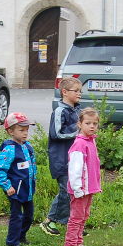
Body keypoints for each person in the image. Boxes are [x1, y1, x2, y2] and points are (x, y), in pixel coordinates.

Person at [39, 78, 82, 236]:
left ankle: (72, 223)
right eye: (75, 91)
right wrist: (78, 130)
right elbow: (56, 133)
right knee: (65, 190)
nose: (79, 94)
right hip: (61, 159)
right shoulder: (60, 111)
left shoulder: (77, 111)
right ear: (64, 92)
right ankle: (49, 221)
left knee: (75, 191)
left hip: (75, 160)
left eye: (80, 91)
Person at [0, 112, 37, 246]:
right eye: (21, 130)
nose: (25, 133)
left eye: (27, 130)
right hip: (14, 190)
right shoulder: (9, 149)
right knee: (17, 216)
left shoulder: (28, 146)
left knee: (29, 215)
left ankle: (21, 236)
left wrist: (33, 180)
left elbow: (32, 166)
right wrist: (6, 185)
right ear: (10, 131)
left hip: (27, 188)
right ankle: (12, 241)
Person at [63, 108, 102, 246]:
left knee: (84, 216)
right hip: (80, 190)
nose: (92, 126)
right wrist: (77, 188)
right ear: (79, 124)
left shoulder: (91, 141)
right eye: (88, 123)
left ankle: (78, 243)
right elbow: (75, 169)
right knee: (76, 218)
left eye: (95, 123)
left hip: (89, 188)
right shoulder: (79, 144)